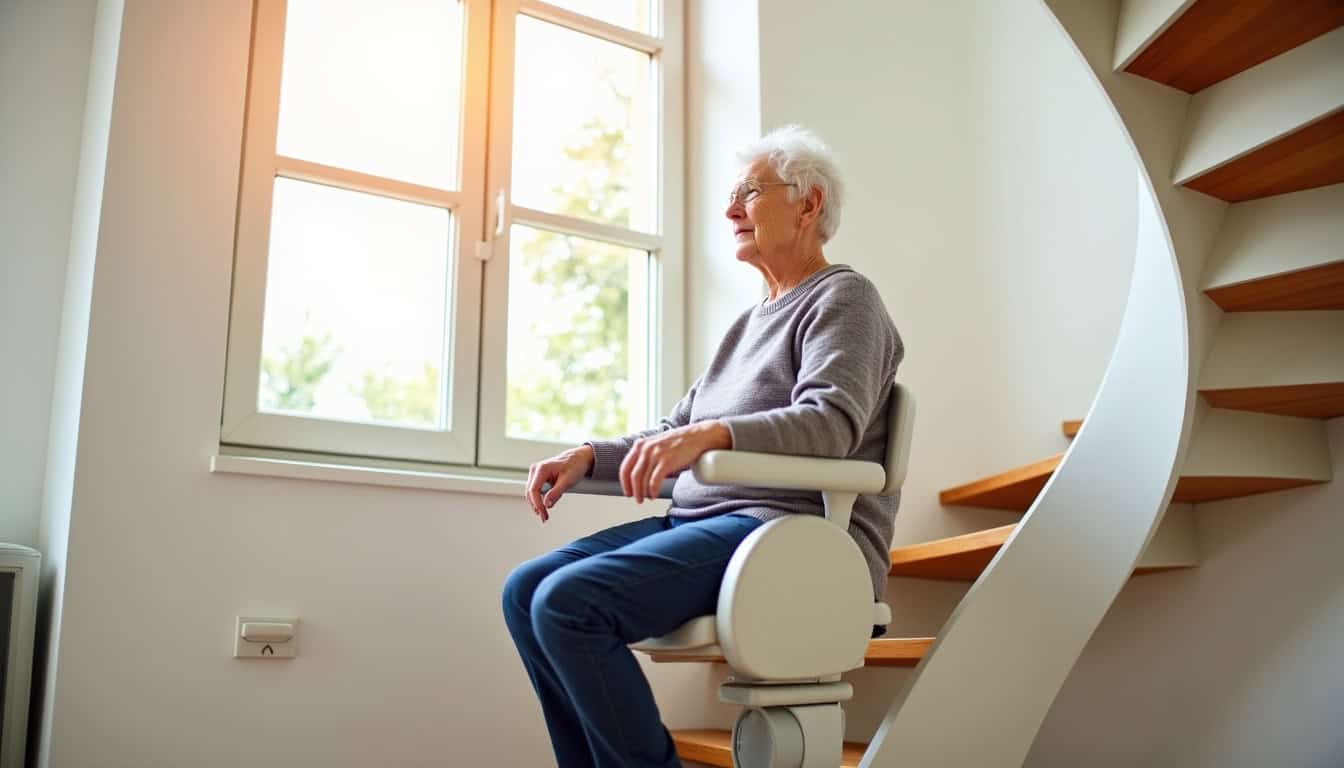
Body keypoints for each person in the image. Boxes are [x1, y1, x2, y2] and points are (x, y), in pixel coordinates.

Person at [501, 124, 905, 768]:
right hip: (705, 522)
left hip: (782, 530)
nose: (730, 209)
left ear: (810, 204)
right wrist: (590, 455)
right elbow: (674, 431)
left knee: (570, 603)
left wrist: (714, 435)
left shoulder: (845, 298)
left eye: (750, 191)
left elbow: (831, 423)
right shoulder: (747, 323)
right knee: (525, 591)